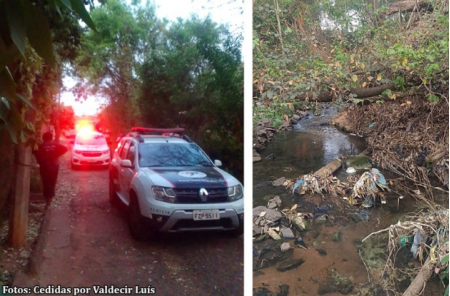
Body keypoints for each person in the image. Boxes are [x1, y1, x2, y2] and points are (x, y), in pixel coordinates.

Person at [33, 132, 68, 208]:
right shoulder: (55, 145)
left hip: (44, 166)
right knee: (52, 182)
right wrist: (55, 155)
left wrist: (41, 159)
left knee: (45, 182)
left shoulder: (40, 146)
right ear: (51, 138)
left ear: (43, 138)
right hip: (54, 166)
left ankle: (46, 198)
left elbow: (34, 151)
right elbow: (65, 149)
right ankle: (49, 199)